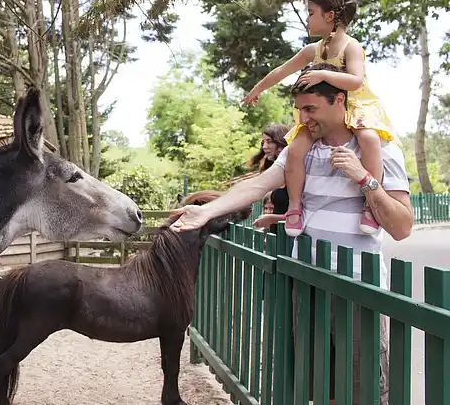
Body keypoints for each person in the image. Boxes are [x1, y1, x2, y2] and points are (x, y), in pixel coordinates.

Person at [171, 62, 413, 404]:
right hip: (307, 287)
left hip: (359, 293)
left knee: (364, 394)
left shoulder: (381, 149)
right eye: (299, 110)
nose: (303, 118)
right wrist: (207, 210)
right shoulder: (301, 149)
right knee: (318, 391)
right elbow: (258, 185)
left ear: (340, 101)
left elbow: (402, 226)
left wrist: (364, 178)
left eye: (311, 108)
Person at [242, 0, 399, 238]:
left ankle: (370, 204)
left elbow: (357, 81)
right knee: (295, 149)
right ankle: (295, 206)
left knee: (369, 138)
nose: (307, 19)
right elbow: (282, 70)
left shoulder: (351, 47)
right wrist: (257, 90)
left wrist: (322, 73)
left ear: (330, 16)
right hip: (322, 113)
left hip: (353, 107)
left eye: (311, 12)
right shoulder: (312, 50)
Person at [248, 123, 290, 234]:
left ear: (280, 142)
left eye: (269, 141)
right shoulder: (273, 170)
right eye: (263, 142)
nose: (264, 146)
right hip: (277, 239)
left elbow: (300, 215)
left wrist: (272, 219)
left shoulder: (293, 169)